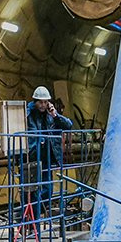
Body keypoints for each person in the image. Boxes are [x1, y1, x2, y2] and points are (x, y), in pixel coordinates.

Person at [26, 86, 73, 216]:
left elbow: (68, 125)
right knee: (33, 190)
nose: (43, 105)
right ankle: (33, 218)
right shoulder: (28, 114)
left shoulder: (50, 115)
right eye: (40, 102)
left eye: (45, 102)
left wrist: (55, 115)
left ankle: (36, 213)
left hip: (46, 158)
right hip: (32, 157)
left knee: (48, 189)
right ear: (35, 101)